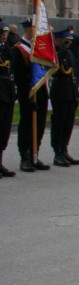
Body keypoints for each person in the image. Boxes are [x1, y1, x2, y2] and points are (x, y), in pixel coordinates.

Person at [12, 19, 49, 171]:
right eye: (36, 29)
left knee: (39, 124)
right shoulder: (19, 49)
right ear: (29, 29)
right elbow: (20, 77)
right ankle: (25, 156)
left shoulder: (39, 47)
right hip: (28, 93)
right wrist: (26, 97)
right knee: (27, 124)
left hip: (41, 92)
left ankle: (35, 154)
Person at [49, 29, 79, 167]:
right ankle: (57, 153)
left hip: (71, 92)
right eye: (66, 41)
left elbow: (74, 72)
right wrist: (61, 51)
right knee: (59, 124)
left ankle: (65, 149)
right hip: (60, 93)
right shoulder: (54, 53)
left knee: (68, 123)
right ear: (59, 40)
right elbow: (55, 71)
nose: (69, 44)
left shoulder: (69, 53)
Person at [0, 21, 17, 177]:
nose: (4, 34)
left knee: (4, 130)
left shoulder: (6, 49)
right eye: (2, 32)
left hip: (8, 92)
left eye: (5, 32)